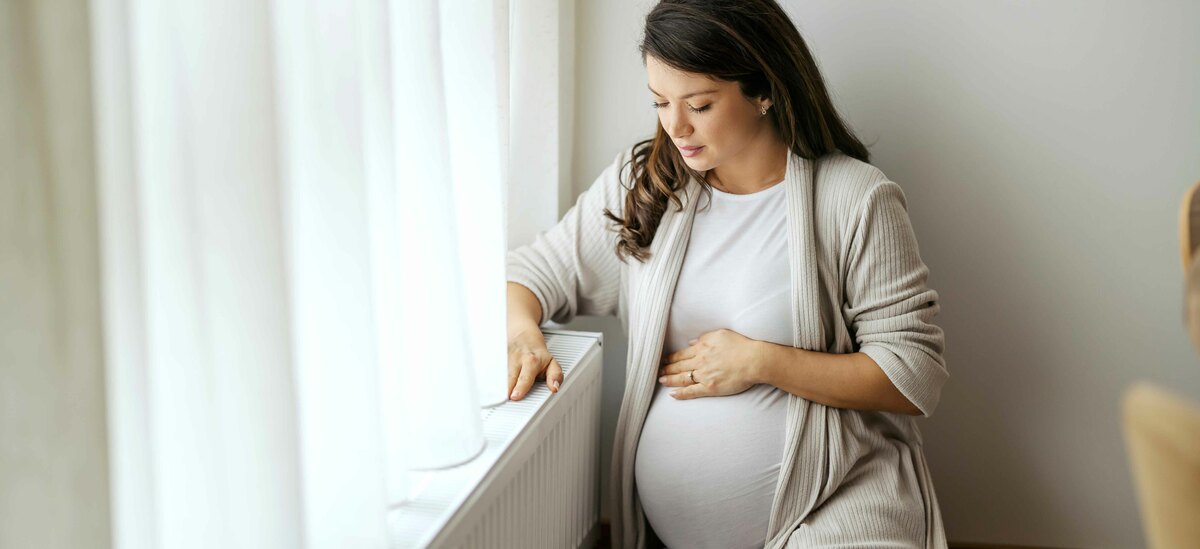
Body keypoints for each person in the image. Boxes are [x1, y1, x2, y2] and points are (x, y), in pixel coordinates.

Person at [505, 0, 948, 547]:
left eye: (700, 104)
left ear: (763, 91)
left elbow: (914, 373)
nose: (676, 125)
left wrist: (761, 362)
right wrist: (525, 335)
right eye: (660, 101)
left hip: (834, 507)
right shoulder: (648, 187)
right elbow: (528, 273)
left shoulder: (854, 199)